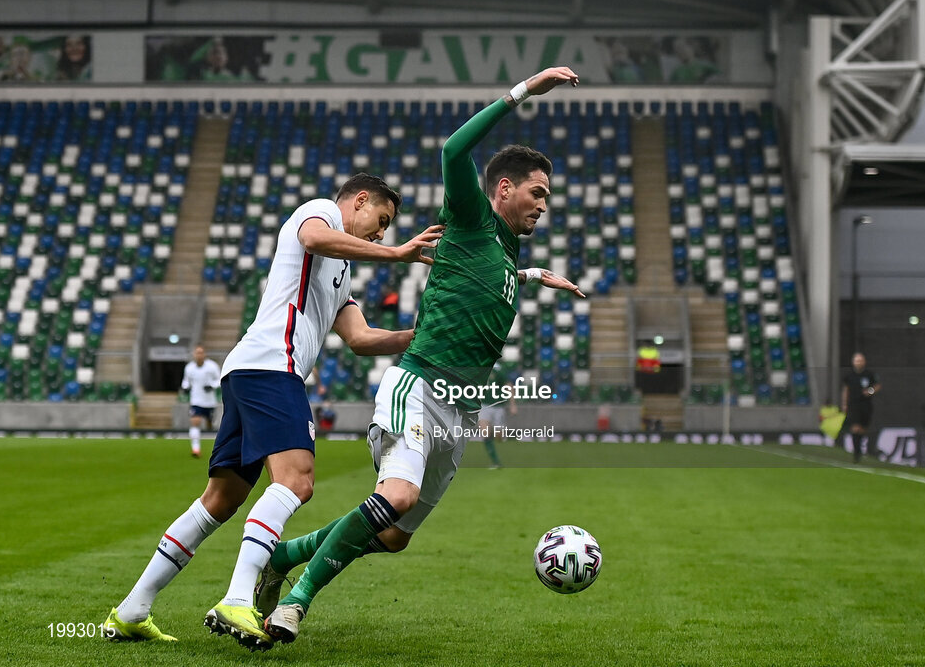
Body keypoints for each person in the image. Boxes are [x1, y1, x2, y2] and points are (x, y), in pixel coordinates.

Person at [258, 66, 585, 644]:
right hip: (419, 386)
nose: (544, 205)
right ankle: (294, 604)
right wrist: (525, 91)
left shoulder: (506, 253)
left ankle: (284, 555)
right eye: (538, 192)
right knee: (398, 495)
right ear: (503, 189)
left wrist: (535, 276)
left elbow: (491, 277)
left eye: (549, 197)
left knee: (393, 534)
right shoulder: (470, 216)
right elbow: (455, 147)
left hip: (460, 406)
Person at [103, 174, 442, 648]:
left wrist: (419, 337)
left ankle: (132, 610)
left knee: (219, 500)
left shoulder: (340, 271)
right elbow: (314, 237)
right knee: (297, 481)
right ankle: (238, 597)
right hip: (272, 367)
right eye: (380, 221)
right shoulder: (319, 210)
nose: (381, 233)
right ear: (359, 201)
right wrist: (397, 253)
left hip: (250, 369)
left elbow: (361, 339)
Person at [181, 346, 222, 458]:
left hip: (209, 401)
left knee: (210, 426)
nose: (199, 355)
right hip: (196, 400)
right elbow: (186, 381)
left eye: (201, 353)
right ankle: (196, 449)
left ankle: (216, 450)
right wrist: (185, 387)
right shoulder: (189, 368)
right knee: (195, 421)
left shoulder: (212, 366)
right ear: (194, 354)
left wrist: (212, 386)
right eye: (197, 353)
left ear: (205, 354)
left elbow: (220, 379)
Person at [841, 352, 880, 463]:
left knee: (862, 429)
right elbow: (845, 390)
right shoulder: (849, 376)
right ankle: (856, 454)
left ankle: (859, 450)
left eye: (860, 360)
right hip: (853, 404)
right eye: (857, 360)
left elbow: (877, 386)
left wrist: (870, 391)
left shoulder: (869, 374)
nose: (858, 363)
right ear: (853, 362)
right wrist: (844, 404)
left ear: (864, 362)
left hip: (866, 405)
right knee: (855, 428)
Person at [478, 361, 517, 468]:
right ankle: (496, 462)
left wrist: (512, 404)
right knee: (485, 432)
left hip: (498, 406)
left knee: (499, 436)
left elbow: (508, 386)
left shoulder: (499, 369)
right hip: (484, 405)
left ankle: (503, 441)